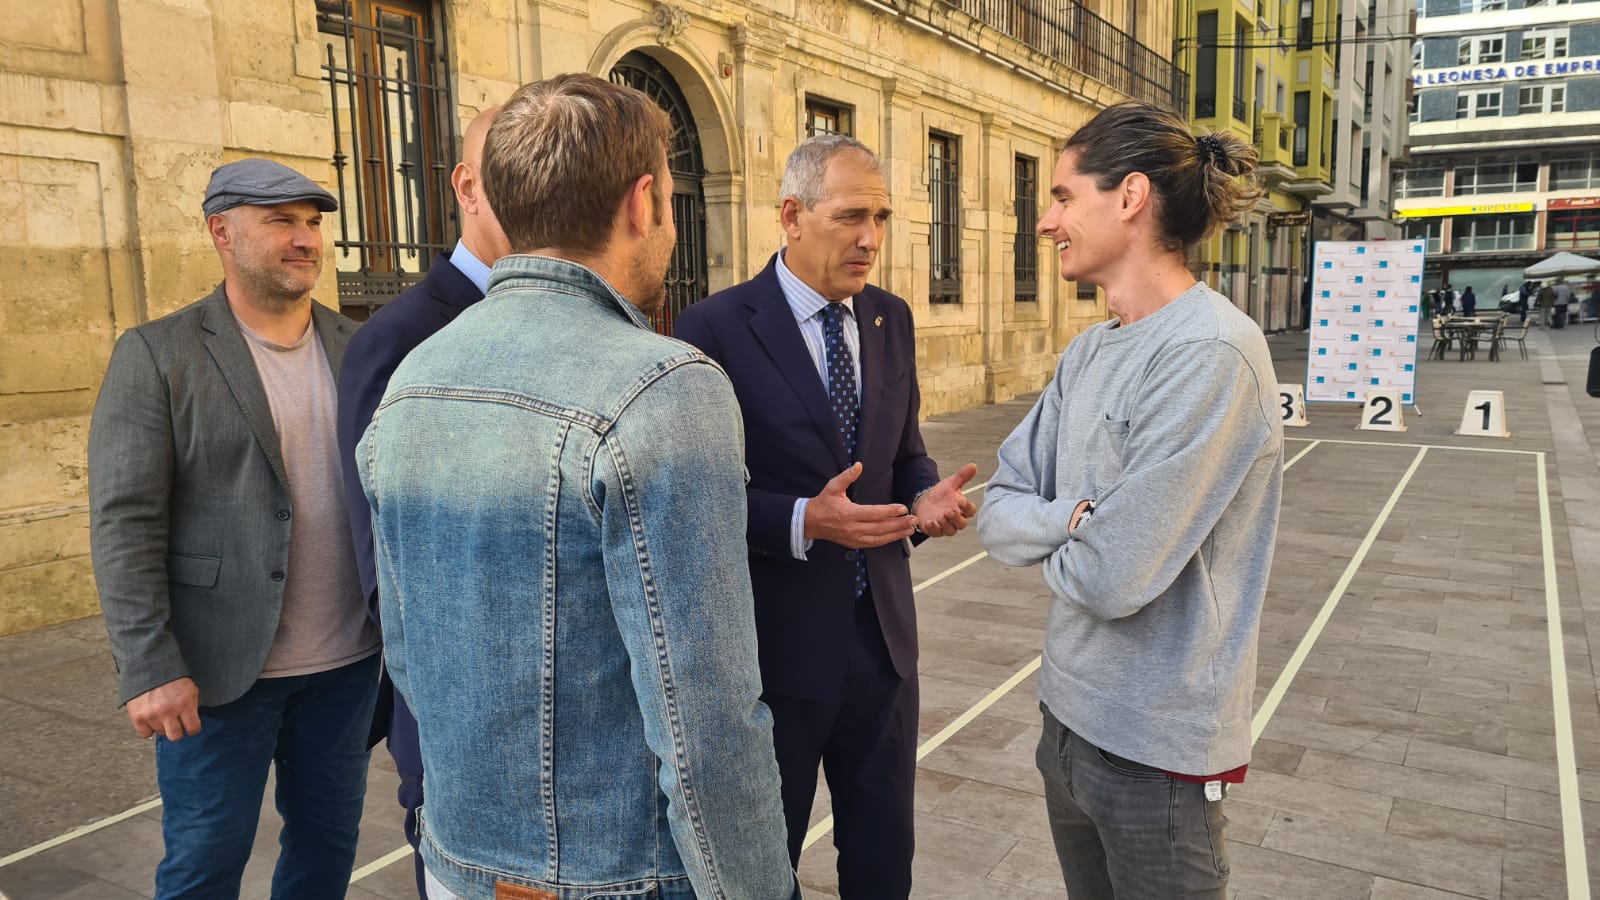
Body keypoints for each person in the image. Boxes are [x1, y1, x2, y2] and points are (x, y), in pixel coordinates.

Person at [357, 74, 797, 900]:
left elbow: (409, 648)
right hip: (618, 876)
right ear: (643, 203)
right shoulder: (664, 386)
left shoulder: (415, 376)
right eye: (670, 196)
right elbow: (706, 719)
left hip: (458, 862)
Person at [977, 103, 1284, 899]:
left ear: (1131, 197)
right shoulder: (1091, 350)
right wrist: (1068, 521)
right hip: (1066, 724)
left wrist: (1069, 534)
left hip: (1158, 754)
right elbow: (999, 507)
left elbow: (1114, 577)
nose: (1047, 222)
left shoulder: (1210, 353)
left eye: (1063, 196)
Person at [675, 135, 979, 899]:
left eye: (880, 216)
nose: (870, 238)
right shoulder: (710, 330)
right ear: (791, 215)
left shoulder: (890, 318)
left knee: (882, 865)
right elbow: (690, 499)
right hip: (771, 657)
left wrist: (925, 497)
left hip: (883, 647)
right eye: (850, 216)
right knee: (761, 868)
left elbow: (904, 452)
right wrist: (803, 520)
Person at [88, 158, 379, 899]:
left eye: (313, 223)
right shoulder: (159, 354)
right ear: (222, 231)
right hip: (217, 675)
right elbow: (125, 521)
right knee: (204, 864)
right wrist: (149, 664)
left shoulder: (358, 348)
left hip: (346, 666)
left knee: (325, 852)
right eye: (281, 220)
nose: (305, 239)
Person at [336, 104, 509, 899]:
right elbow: (386, 572)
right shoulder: (399, 338)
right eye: (516, 165)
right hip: (465, 730)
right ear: (467, 186)